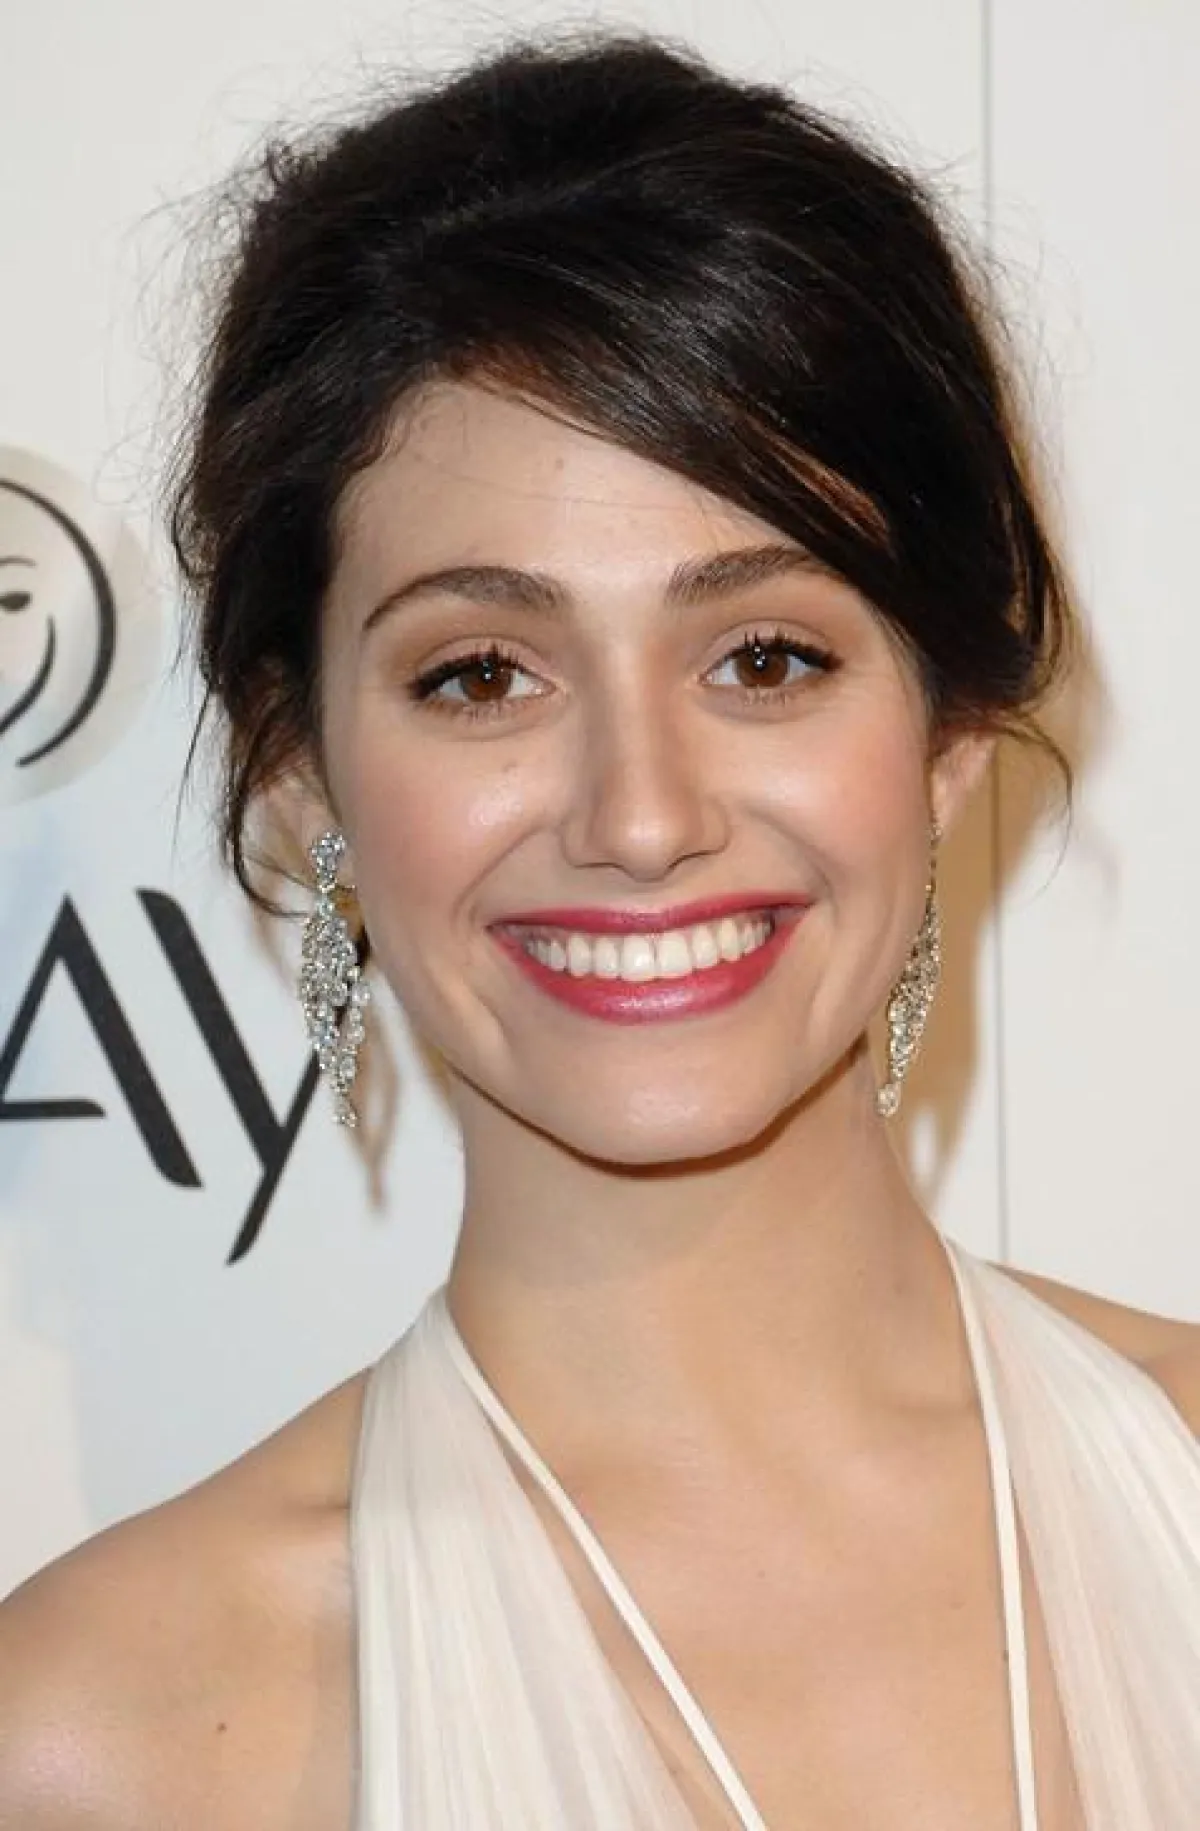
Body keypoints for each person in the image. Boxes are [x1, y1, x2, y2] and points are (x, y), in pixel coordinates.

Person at [1, 30, 1198, 1831]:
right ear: (304, 775)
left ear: (946, 738)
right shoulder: (106, 1739)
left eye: (766, 656)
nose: (641, 815)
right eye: (482, 673)